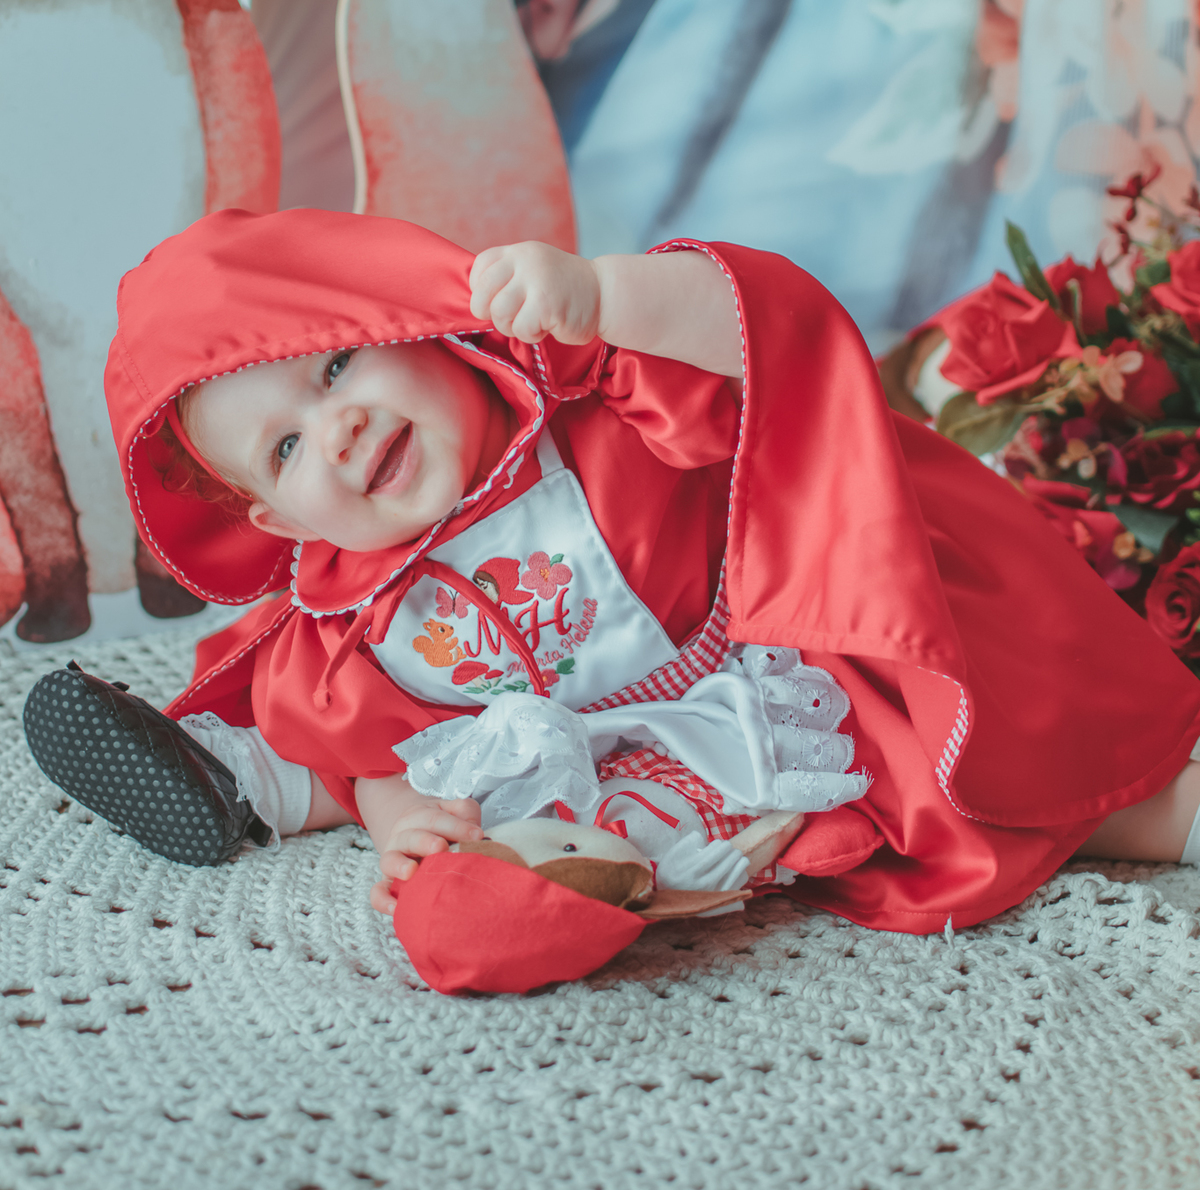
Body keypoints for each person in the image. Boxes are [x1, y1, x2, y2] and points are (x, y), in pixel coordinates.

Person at [23, 208, 1200, 936]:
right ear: (273, 513)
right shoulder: (354, 602)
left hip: (756, 671)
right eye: (284, 447)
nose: (331, 429)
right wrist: (399, 819)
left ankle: (1172, 812)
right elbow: (384, 739)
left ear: (420, 326)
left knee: (960, 782)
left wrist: (607, 295)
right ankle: (265, 790)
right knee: (439, 846)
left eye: (335, 370)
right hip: (589, 761)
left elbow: (761, 330)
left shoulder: (593, 411)